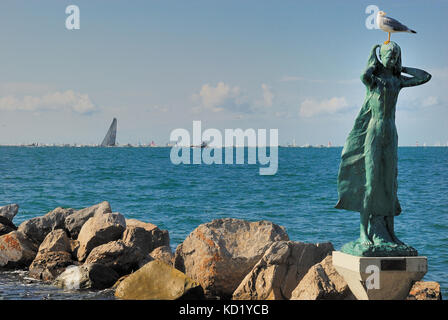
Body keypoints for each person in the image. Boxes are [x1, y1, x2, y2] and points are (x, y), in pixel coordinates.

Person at [335, 42, 431, 252]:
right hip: (374, 132)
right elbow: (364, 75)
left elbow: (424, 77)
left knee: (389, 184)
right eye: (388, 55)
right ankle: (364, 232)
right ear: (381, 56)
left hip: (391, 132)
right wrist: (373, 57)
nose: (392, 58)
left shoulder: (397, 81)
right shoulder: (374, 81)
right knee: (370, 183)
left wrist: (401, 68)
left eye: (395, 56)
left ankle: (390, 232)